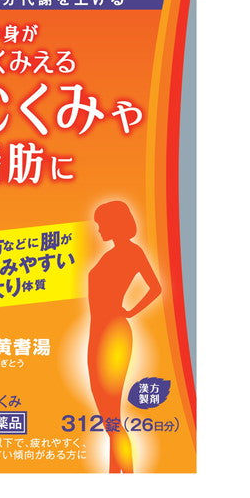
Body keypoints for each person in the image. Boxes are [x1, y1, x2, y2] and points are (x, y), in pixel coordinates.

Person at [87, 201, 162, 473]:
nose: (98, 229)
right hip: (98, 333)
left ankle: (126, 475)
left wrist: (130, 311)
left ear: (114, 223)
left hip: (112, 334)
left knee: (111, 417)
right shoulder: (113, 254)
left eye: (101, 224)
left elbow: (155, 288)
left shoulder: (132, 252)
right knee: (109, 415)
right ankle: (115, 474)